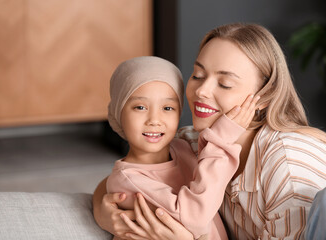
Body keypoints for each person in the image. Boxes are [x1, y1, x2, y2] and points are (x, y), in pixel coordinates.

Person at [93, 23, 326, 239]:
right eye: (197, 75)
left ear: (264, 96)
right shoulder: (193, 143)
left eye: (224, 83)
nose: (202, 90)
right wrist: (105, 213)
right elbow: (130, 175)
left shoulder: (287, 164)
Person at [105, 56, 259, 240]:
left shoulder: (182, 146)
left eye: (168, 108)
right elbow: (195, 219)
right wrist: (222, 139)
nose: (154, 120)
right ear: (118, 112)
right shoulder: (127, 182)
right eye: (140, 107)